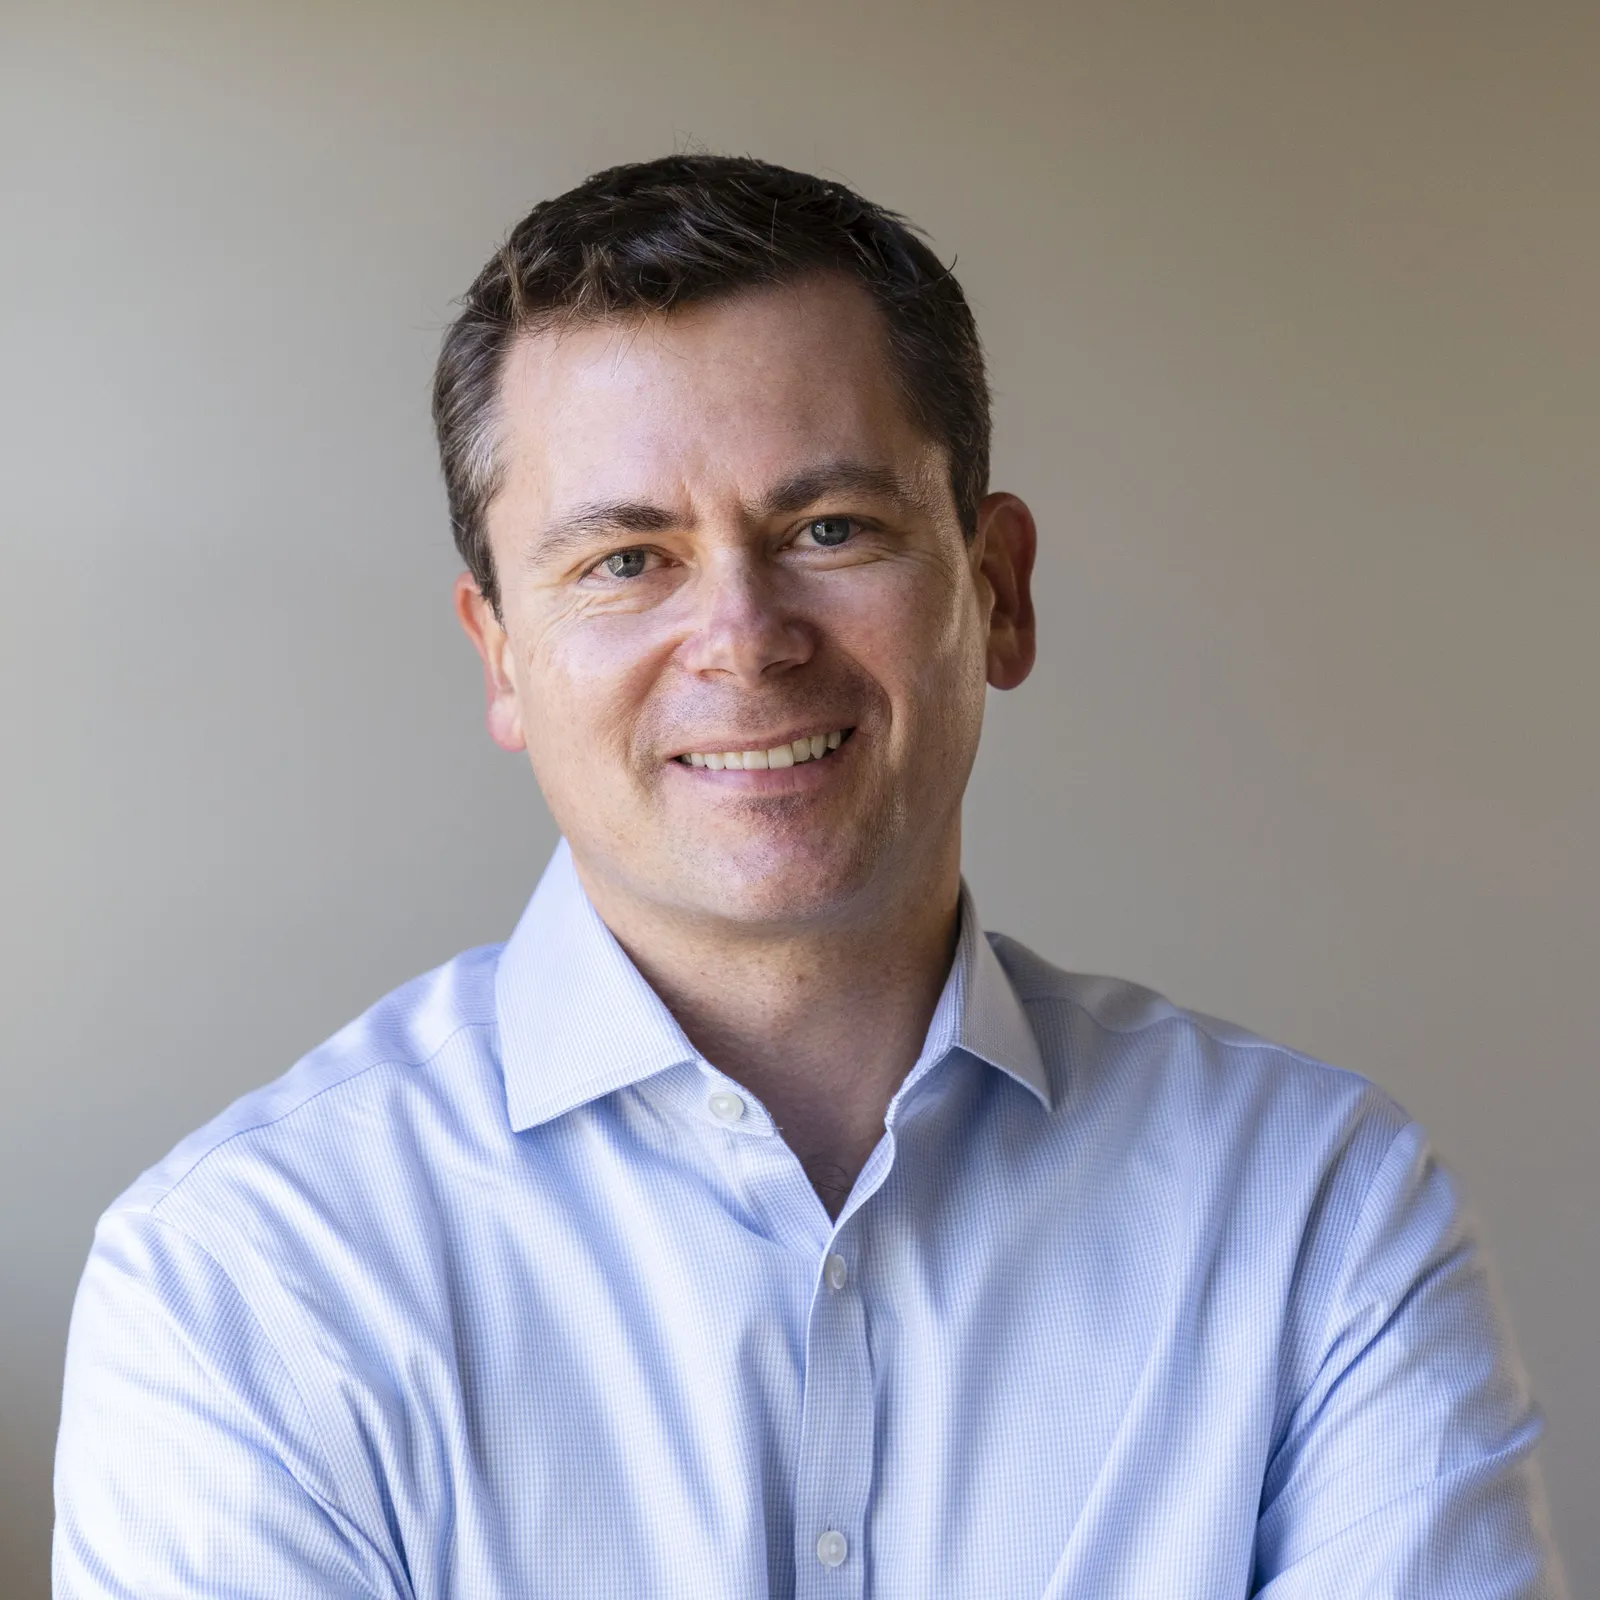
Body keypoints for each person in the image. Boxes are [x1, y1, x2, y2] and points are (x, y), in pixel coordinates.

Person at [54, 154, 1566, 1599]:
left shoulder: (1320, 1217)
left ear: (998, 591)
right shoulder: (246, 1278)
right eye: (625, 560)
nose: (745, 637)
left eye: (829, 528)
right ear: (501, 656)